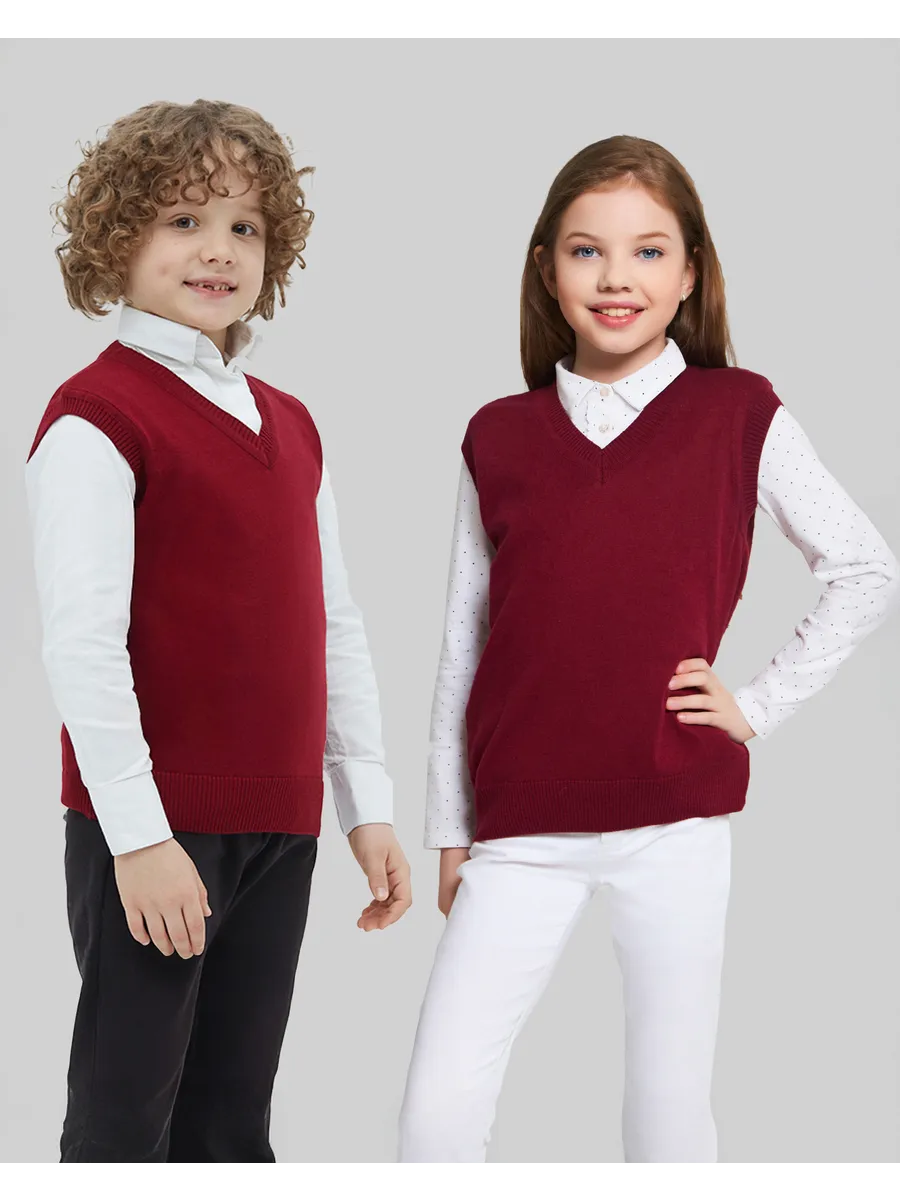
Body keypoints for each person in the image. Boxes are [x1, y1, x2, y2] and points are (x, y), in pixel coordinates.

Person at [395, 134, 900, 1168]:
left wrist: (757, 705)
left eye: (648, 252)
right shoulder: (498, 434)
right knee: (436, 1120)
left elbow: (863, 567)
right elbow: (463, 641)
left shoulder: (739, 412)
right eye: (587, 251)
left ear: (691, 273)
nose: (616, 278)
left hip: (676, 822)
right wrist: (451, 824)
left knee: (669, 1122)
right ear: (548, 269)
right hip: (521, 826)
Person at [25, 98, 411, 1169]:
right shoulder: (98, 416)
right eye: (184, 220)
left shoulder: (291, 422)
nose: (219, 249)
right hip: (156, 831)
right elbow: (82, 644)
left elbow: (332, 622)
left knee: (232, 1130)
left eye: (245, 226)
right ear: (119, 236)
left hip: (280, 826)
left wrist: (365, 803)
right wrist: (139, 838)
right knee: (121, 1130)